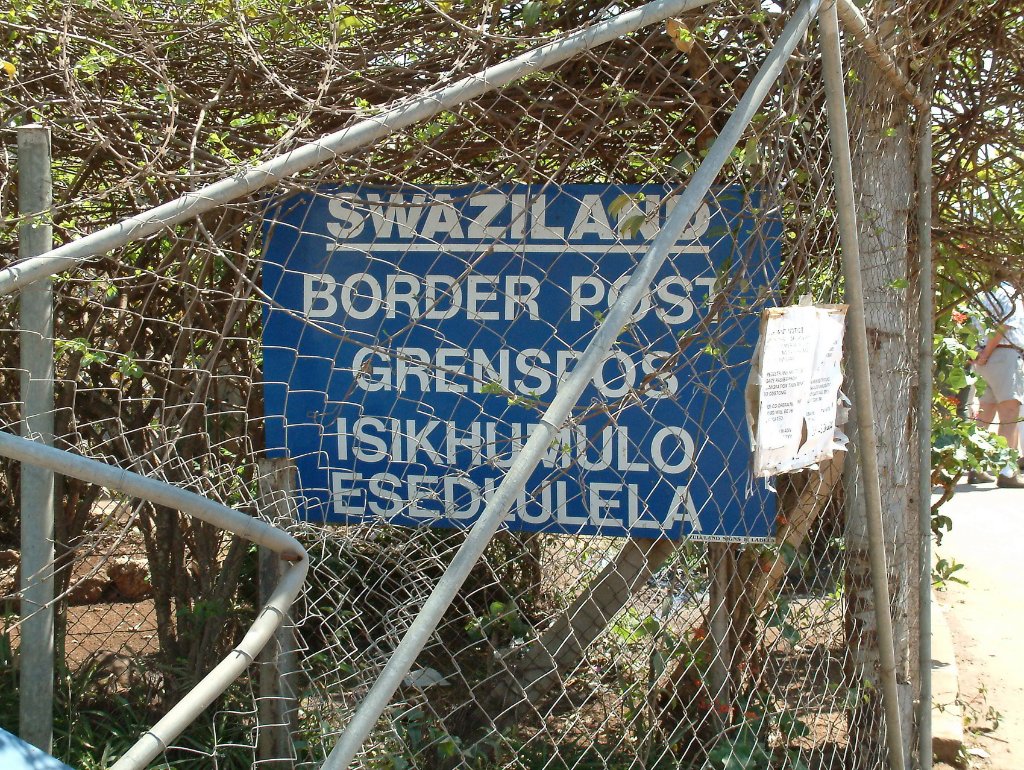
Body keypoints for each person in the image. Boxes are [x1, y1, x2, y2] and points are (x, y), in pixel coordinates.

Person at [972, 279, 1024, 488]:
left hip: (985, 358)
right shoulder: (1009, 292)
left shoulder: (980, 291)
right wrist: (988, 351)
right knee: (1010, 415)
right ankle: (1007, 471)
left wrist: (981, 353)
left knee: (985, 413)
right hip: (1004, 354)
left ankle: (974, 468)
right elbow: (1007, 324)